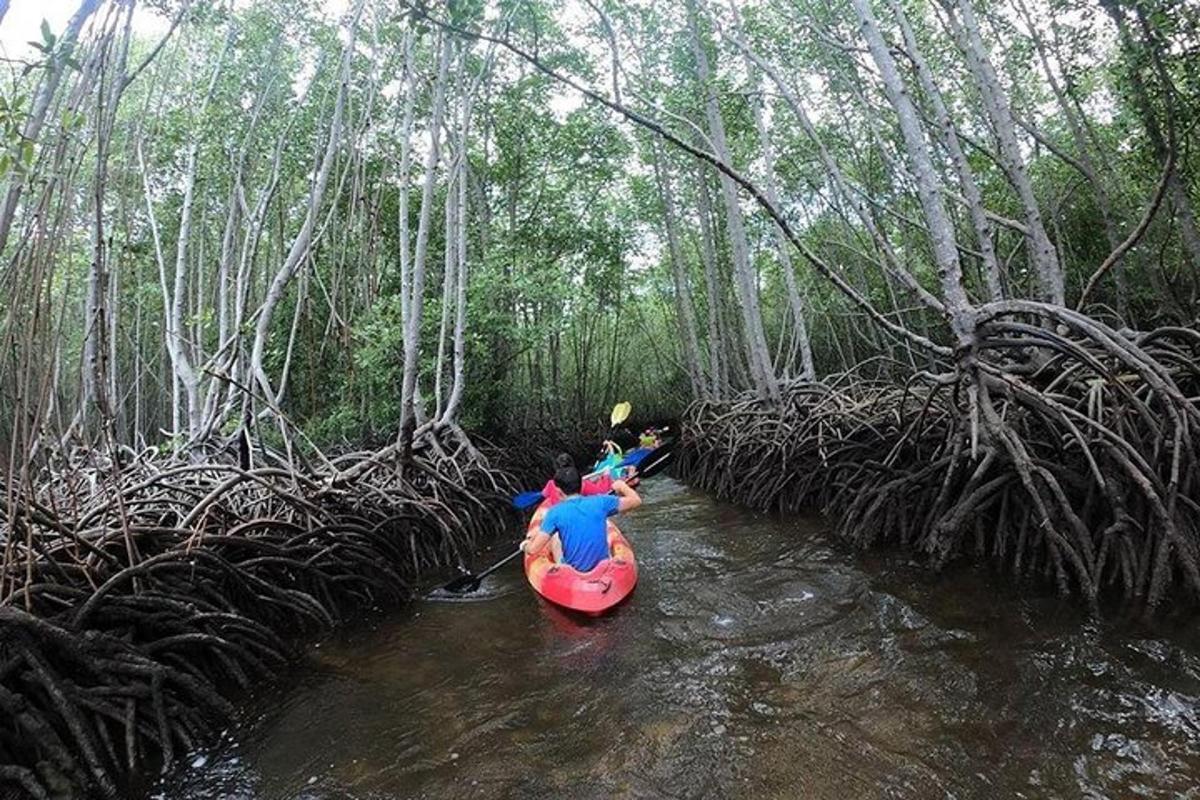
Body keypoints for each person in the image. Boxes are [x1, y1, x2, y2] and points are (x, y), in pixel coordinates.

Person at [522, 454, 641, 572]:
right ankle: (605, 561)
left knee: (555, 536)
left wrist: (525, 545)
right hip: (604, 568)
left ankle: (561, 567)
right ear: (581, 485)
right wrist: (622, 486)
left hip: (574, 571)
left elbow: (533, 550)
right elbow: (636, 500)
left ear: (558, 491)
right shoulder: (601, 502)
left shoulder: (554, 513)